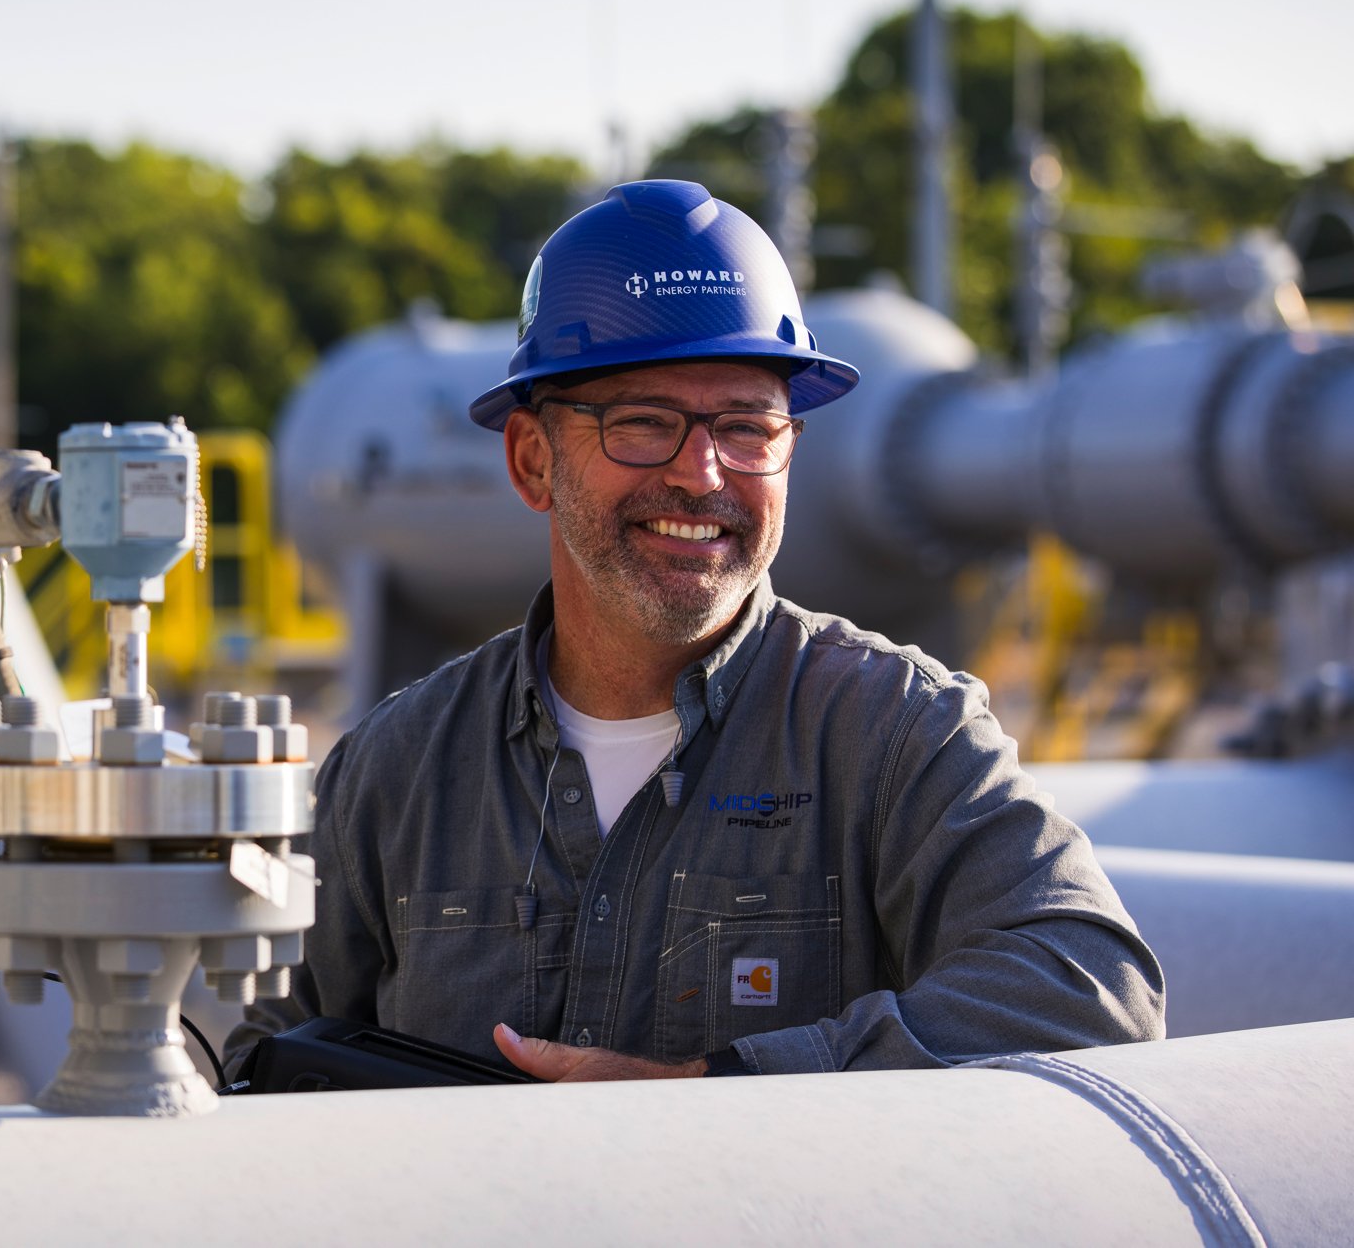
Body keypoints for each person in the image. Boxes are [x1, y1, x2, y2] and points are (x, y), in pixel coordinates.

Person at [231, 180, 1164, 1082]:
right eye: (644, 423)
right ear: (531, 460)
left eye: (748, 429)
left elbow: (1093, 992)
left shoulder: (891, 736)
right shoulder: (398, 771)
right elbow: (264, 1054)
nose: (704, 475)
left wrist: (718, 1089)